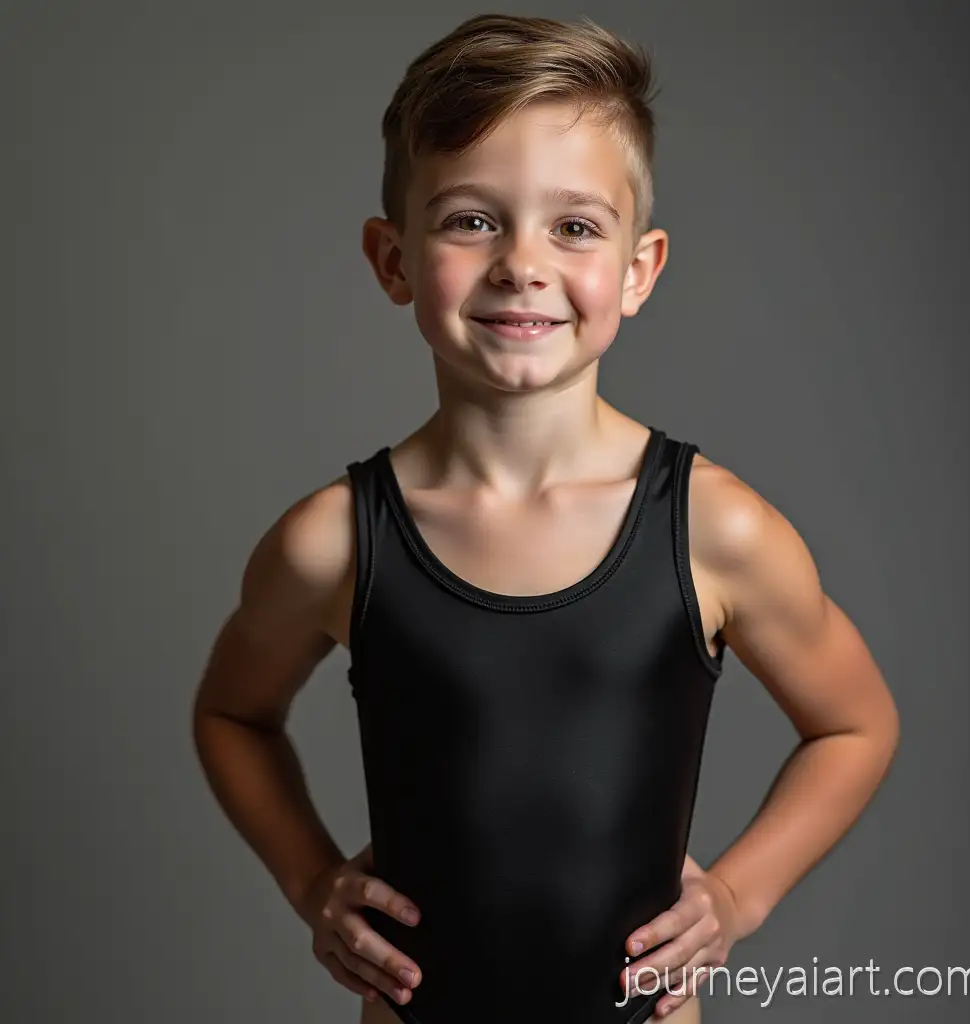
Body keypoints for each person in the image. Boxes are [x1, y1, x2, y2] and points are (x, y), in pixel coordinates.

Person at [191, 14, 900, 1024]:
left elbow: (856, 720)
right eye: (472, 220)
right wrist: (311, 883)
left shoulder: (711, 527)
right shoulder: (336, 539)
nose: (521, 263)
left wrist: (736, 897)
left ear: (638, 269)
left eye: (572, 226)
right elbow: (230, 715)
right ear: (391, 259)